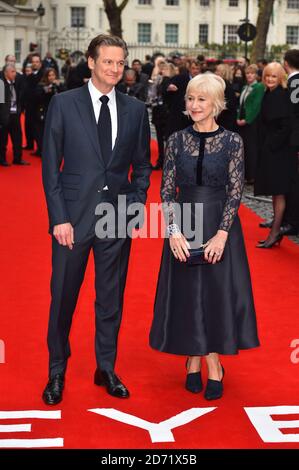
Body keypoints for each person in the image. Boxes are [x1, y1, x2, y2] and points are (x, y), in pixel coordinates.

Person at [42, 34, 151, 405]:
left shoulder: (136, 110)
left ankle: (106, 366)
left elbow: (142, 165)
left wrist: (136, 205)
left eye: (120, 63)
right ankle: (57, 369)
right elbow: (50, 168)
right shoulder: (63, 104)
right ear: (91, 62)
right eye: (108, 62)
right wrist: (59, 217)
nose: (115, 69)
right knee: (63, 298)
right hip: (72, 219)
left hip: (117, 218)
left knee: (111, 299)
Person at [150, 74, 259, 400]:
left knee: (214, 295)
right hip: (183, 224)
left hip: (219, 224)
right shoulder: (176, 140)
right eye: (191, 99)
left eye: (202, 99)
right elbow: (167, 189)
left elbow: (235, 193)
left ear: (216, 104)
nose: (194, 105)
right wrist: (172, 231)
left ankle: (211, 364)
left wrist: (222, 234)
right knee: (188, 295)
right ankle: (195, 358)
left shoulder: (232, 142)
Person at [254, 62, 294, 248]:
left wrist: (271, 145)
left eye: (274, 76)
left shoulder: (281, 95)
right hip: (272, 149)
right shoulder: (269, 93)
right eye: (267, 76)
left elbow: (286, 125)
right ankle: (275, 229)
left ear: (281, 78)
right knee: (275, 191)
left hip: (279, 151)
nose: (270, 79)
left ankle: (275, 232)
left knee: (279, 192)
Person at [236, 64, 264, 184]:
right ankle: (246, 174)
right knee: (244, 149)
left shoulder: (259, 87)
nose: (249, 75)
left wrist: (246, 120)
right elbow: (241, 105)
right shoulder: (244, 87)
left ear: (256, 75)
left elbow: (256, 106)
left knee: (252, 148)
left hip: (252, 123)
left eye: (252, 73)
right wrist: (238, 118)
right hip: (242, 122)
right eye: (247, 73)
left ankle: (252, 175)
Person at [0, 64, 29, 166]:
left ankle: (18, 158)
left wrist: (20, 110)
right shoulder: (1, 84)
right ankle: (2, 159)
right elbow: (1, 103)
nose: (15, 74)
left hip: (15, 115)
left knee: (18, 138)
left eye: (15, 71)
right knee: (2, 140)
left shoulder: (16, 83)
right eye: (12, 72)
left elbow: (20, 98)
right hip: (4, 116)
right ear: (6, 73)